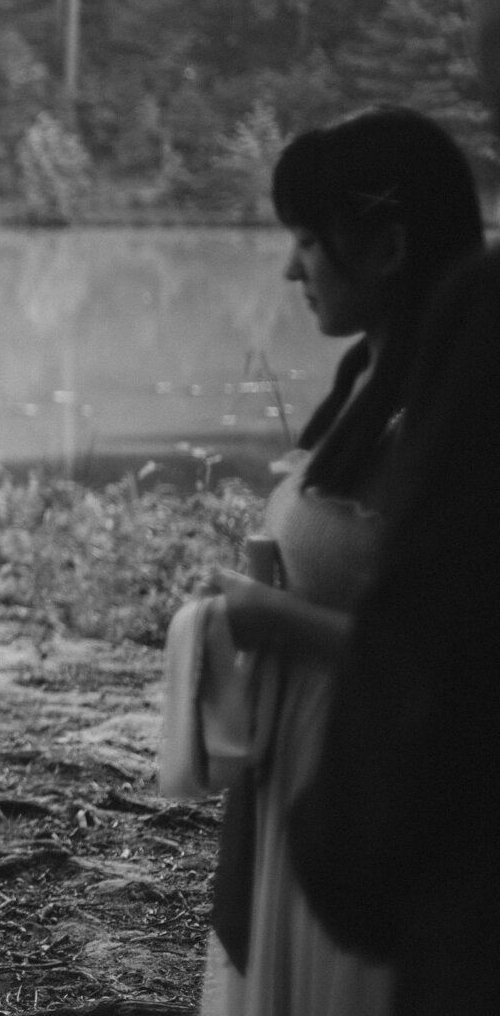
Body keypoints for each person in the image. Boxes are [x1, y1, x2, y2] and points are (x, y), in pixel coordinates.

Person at [195, 105, 484, 1016]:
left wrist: (275, 619)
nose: (290, 268)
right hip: (300, 767)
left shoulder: (452, 416)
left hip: (372, 779)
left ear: (390, 245)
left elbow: (457, 655)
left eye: (312, 242)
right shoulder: (364, 379)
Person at [286, 0, 500, 1015]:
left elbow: (439, 642)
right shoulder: (363, 382)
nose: (463, 7)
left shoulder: (479, 319)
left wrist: (348, 859)